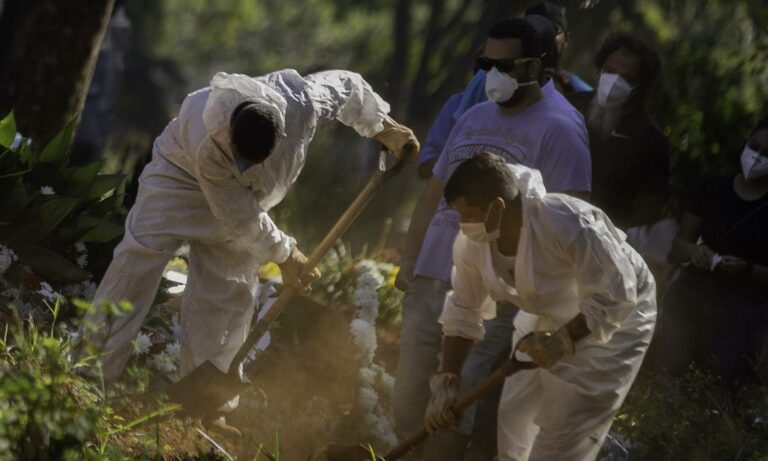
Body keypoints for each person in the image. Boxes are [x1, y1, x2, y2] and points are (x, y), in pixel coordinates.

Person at [80, 70, 418, 395]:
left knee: (228, 292)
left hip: (248, 202)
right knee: (136, 264)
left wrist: (384, 127)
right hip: (178, 182)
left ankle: (207, 400)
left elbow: (346, 86)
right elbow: (239, 217)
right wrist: (286, 254)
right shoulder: (207, 134)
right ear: (229, 132)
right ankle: (89, 373)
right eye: (239, 159)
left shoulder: (302, 103)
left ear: (280, 137)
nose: (244, 168)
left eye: (253, 162)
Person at [393, 18, 591, 459]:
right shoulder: (473, 116)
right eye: (486, 64)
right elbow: (435, 190)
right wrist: (411, 258)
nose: (492, 75)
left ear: (535, 67)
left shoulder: (561, 128)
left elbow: (572, 220)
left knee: (456, 403)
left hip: (498, 291)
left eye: (505, 66)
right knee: (410, 395)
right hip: (436, 273)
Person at [425, 153, 656, 461]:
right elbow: (464, 308)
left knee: (564, 429)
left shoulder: (568, 220)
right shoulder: (473, 243)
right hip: (546, 312)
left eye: (469, 215)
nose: (463, 224)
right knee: (514, 416)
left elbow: (615, 294)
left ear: (498, 207)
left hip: (616, 314)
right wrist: (447, 379)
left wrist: (563, 340)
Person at [653, 117, 768, 385]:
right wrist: (695, 252)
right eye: (754, 147)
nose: (757, 157)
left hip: (740, 316)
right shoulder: (715, 188)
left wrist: (747, 269)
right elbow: (678, 246)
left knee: (715, 390)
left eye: (766, 154)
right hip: (689, 300)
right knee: (667, 380)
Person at [569, 33, 669, 229]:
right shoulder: (571, 106)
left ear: (640, 86)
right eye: (609, 71)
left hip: (603, 234)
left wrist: (613, 233)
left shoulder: (651, 140)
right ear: (600, 68)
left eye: (626, 77)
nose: (614, 81)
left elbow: (650, 206)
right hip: (551, 217)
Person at [524, 1, 592, 94]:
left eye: (552, 30)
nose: (541, 36)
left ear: (566, 38)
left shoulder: (580, 91)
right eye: (534, 29)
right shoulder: (507, 75)